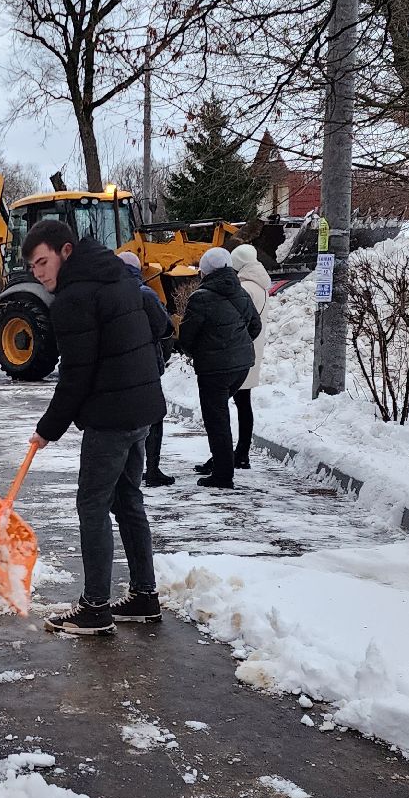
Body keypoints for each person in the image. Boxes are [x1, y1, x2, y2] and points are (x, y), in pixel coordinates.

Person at [23, 219, 165, 636]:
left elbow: (76, 375)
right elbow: (159, 328)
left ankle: (95, 608)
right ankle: (144, 596)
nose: (38, 273)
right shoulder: (118, 276)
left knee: (93, 505)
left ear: (66, 251)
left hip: (111, 416)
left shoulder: (74, 297)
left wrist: (47, 428)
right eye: (32, 267)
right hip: (141, 411)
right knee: (127, 499)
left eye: (43, 262)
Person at [177, 247, 261, 490]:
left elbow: (187, 337)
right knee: (220, 414)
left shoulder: (200, 298)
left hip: (214, 370)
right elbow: (254, 327)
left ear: (205, 271)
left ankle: (223, 475)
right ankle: (222, 464)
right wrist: (236, 346)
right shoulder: (241, 292)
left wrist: (202, 352)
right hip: (241, 366)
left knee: (217, 420)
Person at [117, 251, 176, 488]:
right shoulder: (146, 295)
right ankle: (152, 469)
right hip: (146, 366)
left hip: (117, 369)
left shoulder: (105, 295)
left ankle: (123, 469)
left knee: (122, 420)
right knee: (153, 416)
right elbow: (165, 327)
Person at [229, 245, 272, 468]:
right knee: (244, 403)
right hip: (253, 350)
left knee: (227, 406)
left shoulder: (245, 288)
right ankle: (241, 452)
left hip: (238, 352)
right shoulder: (261, 286)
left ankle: (229, 455)